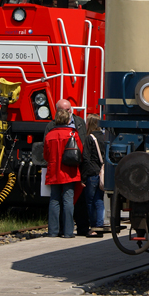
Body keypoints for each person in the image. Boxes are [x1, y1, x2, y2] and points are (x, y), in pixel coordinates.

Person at [44, 99, 96, 236]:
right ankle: (68, 232)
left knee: (54, 200)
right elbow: (80, 152)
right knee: (68, 200)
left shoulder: (49, 134)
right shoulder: (73, 133)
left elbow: (45, 154)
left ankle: (53, 231)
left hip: (54, 172)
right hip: (69, 172)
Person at [82, 114, 107, 236]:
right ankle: (100, 225)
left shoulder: (89, 138)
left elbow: (86, 158)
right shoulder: (104, 137)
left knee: (90, 201)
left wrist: (83, 177)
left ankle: (93, 228)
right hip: (102, 173)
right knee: (99, 200)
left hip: (91, 173)